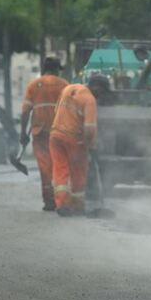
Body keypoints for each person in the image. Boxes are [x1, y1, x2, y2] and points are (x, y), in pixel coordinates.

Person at [19, 56, 69, 211]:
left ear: (44, 69)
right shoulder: (65, 85)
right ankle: (62, 200)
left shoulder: (33, 85)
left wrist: (23, 133)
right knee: (60, 165)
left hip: (40, 132)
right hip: (60, 131)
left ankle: (49, 202)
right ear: (56, 69)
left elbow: (25, 112)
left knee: (45, 167)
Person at [49, 80, 100, 217]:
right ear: (96, 87)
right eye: (101, 91)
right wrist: (90, 146)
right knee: (78, 171)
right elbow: (89, 129)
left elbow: (56, 111)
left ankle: (62, 204)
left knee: (60, 169)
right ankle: (77, 205)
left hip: (55, 135)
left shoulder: (68, 88)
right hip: (74, 139)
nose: (100, 95)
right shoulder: (89, 99)